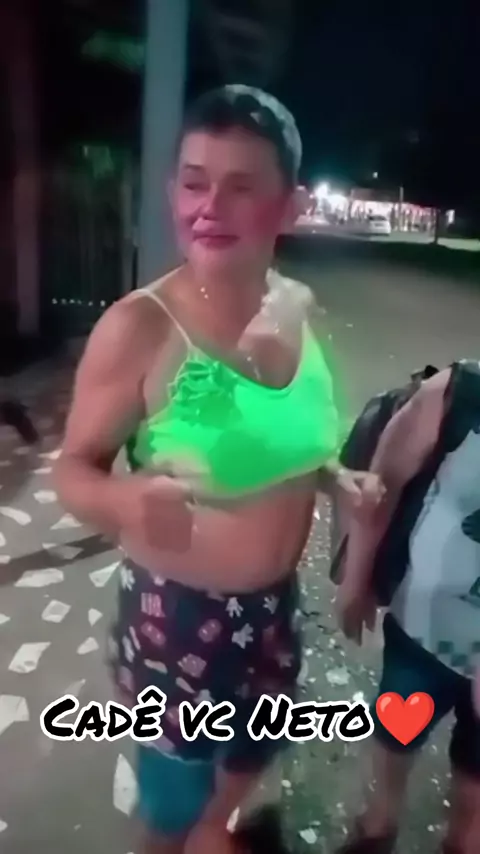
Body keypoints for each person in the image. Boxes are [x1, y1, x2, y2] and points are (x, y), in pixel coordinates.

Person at [54, 84, 382, 854]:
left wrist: (335, 476)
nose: (209, 207)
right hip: (177, 623)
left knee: (250, 753)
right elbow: (73, 468)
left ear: (288, 205)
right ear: (173, 190)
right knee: (169, 809)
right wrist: (122, 501)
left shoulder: (292, 310)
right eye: (196, 183)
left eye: (241, 188)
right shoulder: (140, 327)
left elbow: (288, 435)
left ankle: (216, 830)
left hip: (273, 610)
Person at [336, 366, 480, 854]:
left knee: (474, 791)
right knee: (397, 732)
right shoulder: (458, 394)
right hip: (423, 631)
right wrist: (356, 579)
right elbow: (384, 483)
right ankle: (379, 826)